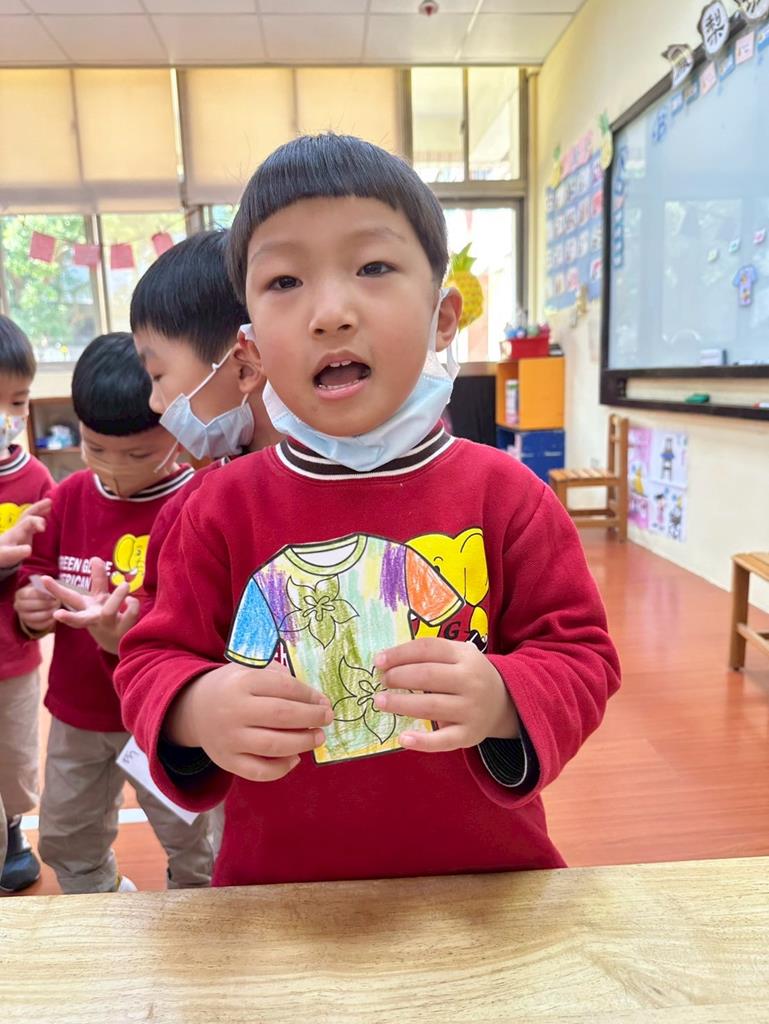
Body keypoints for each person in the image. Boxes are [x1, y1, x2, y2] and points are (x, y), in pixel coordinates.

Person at [116, 134, 621, 888]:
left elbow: (582, 656)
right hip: (279, 897)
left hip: (485, 886)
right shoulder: (216, 511)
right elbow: (150, 660)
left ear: (443, 318)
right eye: (285, 280)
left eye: (373, 267)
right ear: (251, 349)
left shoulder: (507, 495)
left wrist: (503, 697)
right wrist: (196, 707)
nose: (330, 313)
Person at [15, 333, 213, 894]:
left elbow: (204, 615)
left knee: (194, 841)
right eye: (95, 448)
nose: (113, 467)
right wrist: (33, 606)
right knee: (65, 835)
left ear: (176, 429)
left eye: (138, 454)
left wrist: (124, 634)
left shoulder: (197, 503)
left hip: (166, 715)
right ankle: (101, 900)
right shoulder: (71, 496)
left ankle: (196, 913)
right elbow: (39, 573)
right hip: (79, 712)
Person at [0, 315, 55, 892]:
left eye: (16, 401)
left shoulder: (36, 478)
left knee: (15, 754)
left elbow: (46, 565)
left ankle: (14, 828)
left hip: (12, 657)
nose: (5, 417)